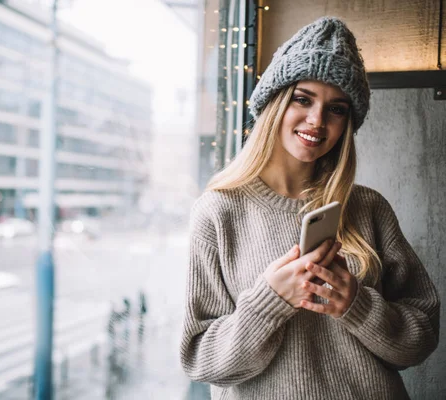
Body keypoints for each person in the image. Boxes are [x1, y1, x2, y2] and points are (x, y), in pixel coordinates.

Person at [180, 17, 440, 400]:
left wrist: (356, 305)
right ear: (274, 103)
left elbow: (421, 339)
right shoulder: (218, 212)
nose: (317, 121)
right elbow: (202, 361)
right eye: (302, 99)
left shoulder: (368, 208)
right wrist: (271, 300)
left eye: (336, 109)